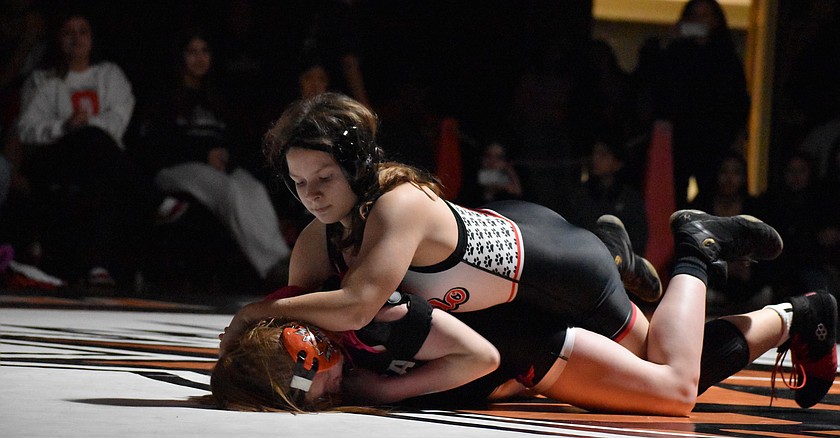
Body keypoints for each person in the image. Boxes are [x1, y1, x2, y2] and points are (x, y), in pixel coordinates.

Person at [219, 92, 782, 366]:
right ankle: (614, 254)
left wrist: (253, 312)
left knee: (672, 373)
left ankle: (697, 249)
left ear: (359, 166)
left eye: (323, 177)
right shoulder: (323, 231)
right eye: (297, 183)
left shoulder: (395, 205)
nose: (311, 194)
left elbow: (355, 307)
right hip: (514, 252)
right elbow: (302, 307)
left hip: (558, 273)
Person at [210, 214, 838, 414]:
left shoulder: (368, 323)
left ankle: (697, 252)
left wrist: (376, 389)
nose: (320, 393)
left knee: (672, 385)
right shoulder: (299, 322)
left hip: (530, 337)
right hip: (527, 288)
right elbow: (247, 339)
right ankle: (799, 317)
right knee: (665, 362)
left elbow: (479, 356)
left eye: (309, 383)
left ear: (306, 347)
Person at [13, 11, 173, 286]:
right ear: (58, 39)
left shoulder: (109, 75)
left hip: (101, 159)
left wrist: (86, 128)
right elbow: (27, 128)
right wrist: (65, 127)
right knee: (92, 142)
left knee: (98, 162)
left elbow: (119, 119)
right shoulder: (43, 80)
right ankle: (155, 200)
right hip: (55, 158)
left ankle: (98, 267)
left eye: (83, 31)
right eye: (68, 32)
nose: (76, 39)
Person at [141, 32, 290, 284]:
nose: (199, 58)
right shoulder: (165, 96)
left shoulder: (218, 96)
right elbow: (157, 143)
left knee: (253, 188)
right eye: (192, 52)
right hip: (175, 168)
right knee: (228, 189)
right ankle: (271, 267)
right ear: (180, 57)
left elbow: (237, 139)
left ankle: (285, 261)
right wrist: (202, 154)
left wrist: (227, 156)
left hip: (216, 167)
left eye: (205, 51)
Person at [644, 0, 750, 207]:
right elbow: (657, 85)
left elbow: (737, 99)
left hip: (715, 138)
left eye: (705, 16)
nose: (699, 21)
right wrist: (668, 45)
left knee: (710, 194)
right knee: (674, 196)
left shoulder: (726, 58)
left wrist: (736, 135)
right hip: (678, 137)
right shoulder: (675, 53)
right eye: (694, 16)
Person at [561, 139, 648, 259]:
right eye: (594, 154)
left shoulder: (630, 199)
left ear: (617, 162)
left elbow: (638, 237)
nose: (596, 159)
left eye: (603, 154)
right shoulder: (580, 196)